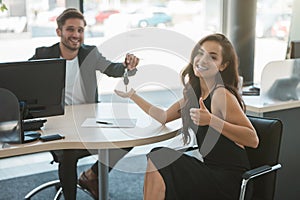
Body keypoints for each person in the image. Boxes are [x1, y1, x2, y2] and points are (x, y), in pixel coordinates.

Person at [115, 33, 259, 200]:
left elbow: (252, 139)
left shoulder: (221, 94)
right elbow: (163, 116)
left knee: (159, 158)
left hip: (229, 181)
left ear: (223, 65)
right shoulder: (194, 94)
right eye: (200, 53)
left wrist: (211, 120)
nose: (203, 60)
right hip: (210, 171)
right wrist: (132, 95)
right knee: (159, 157)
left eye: (212, 57)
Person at [29, 8, 139, 200]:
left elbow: (112, 69)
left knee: (127, 138)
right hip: (57, 124)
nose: (76, 35)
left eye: (80, 30)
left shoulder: (90, 53)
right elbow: (22, 77)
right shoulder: (44, 54)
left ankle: (91, 175)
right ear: (59, 32)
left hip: (88, 121)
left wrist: (126, 66)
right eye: (70, 29)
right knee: (69, 153)